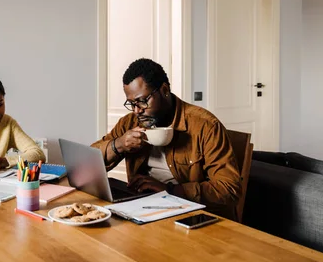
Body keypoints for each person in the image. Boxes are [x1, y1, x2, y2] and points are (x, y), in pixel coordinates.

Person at [91, 58, 241, 220]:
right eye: (132, 103)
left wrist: (170, 190)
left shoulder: (205, 126)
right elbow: (89, 164)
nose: (136, 111)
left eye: (142, 101)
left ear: (164, 90)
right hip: (145, 208)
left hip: (192, 214)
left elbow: (229, 189)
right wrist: (118, 144)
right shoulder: (130, 122)